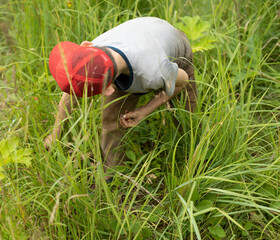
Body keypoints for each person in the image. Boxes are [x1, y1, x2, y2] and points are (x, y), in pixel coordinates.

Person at [44, 17, 197, 179]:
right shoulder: (91, 55)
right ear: (86, 45)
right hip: (139, 46)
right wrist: (56, 132)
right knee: (112, 119)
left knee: (185, 119)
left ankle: (191, 162)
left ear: (107, 90)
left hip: (176, 55)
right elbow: (70, 90)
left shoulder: (155, 71)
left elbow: (183, 81)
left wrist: (145, 110)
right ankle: (112, 173)